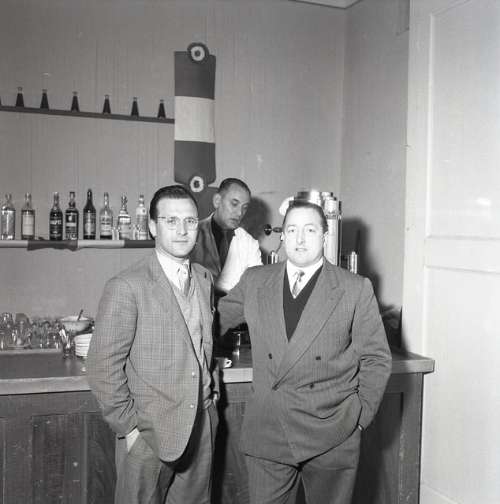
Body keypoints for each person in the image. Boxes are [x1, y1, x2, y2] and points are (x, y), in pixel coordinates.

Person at [218, 200, 392, 504]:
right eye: (292, 230)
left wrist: (359, 418)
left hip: (331, 432)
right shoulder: (255, 280)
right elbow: (211, 323)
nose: (299, 239)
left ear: (324, 236)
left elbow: (376, 359)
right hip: (268, 431)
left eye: (310, 230)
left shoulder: (354, 288)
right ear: (283, 235)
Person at [87, 185, 219, 504]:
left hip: (201, 424)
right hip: (149, 433)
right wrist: (130, 428)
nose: (182, 230)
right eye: (171, 221)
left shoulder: (204, 279)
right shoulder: (127, 285)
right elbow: (102, 367)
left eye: (190, 221)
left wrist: (212, 398)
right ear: (152, 226)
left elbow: (203, 346)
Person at [190, 178, 261, 294]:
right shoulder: (191, 234)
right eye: (234, 204)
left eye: (244, 208)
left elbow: (256, 286)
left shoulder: (249, 244)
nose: (239, 213)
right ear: (217, 201)